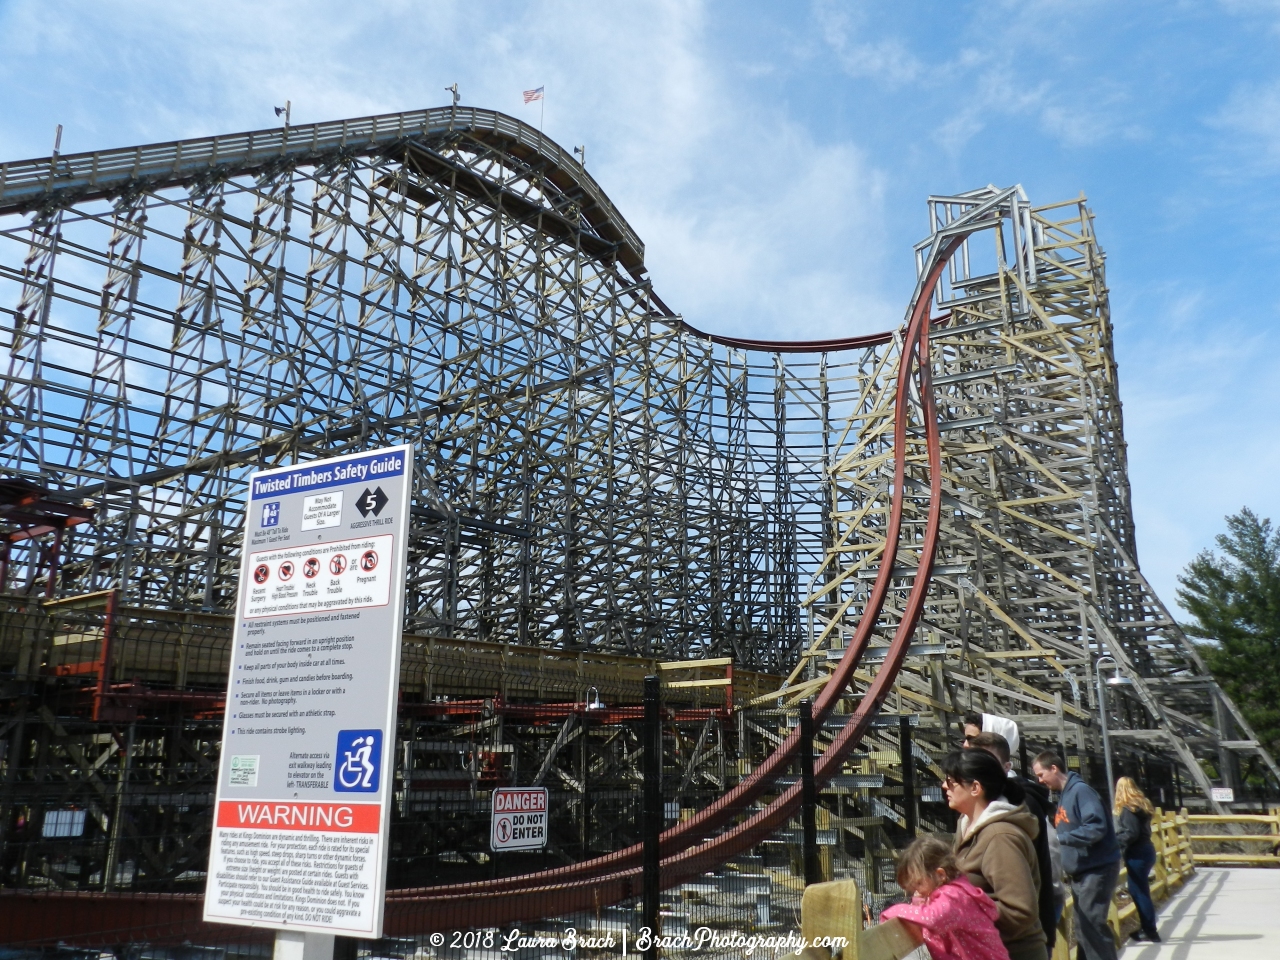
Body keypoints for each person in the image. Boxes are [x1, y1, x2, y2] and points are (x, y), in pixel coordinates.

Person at [942, 749, 1047, 960]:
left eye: (952, 781)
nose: (945, 786)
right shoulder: (967, 826)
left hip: (1013, 953)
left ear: (975, 788)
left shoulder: (999, 836)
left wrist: (959, 912)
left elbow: (1020, 910)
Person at [967, 731, 1062, 955]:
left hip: (1021, 935)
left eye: (987, 762)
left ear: (1007, 766)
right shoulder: (986, 806)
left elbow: (1022, 893)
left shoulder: (1017, 804)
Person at [1032, 752, 1120, 960]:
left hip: (1096, 868)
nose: (1040, 780)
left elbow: (1096, 827)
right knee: (1082, 928)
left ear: (1054, 768)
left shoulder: (1081, 791)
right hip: (1081, 871)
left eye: (1041, 774)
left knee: (1093, 927)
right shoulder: (1064, 794)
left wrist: (1061, 838)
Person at [883, 834, 1012, 960]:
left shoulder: (953, 896)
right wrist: (920, 902)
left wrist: (895, 910)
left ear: (940, 875)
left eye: (919, 884)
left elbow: (931, 918)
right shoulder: (956, 891)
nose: (917, 891)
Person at [1114, 777, 1161, 943]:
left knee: (1138, 892)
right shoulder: (1142, 805)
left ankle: (1150, 929)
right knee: (1140, 890)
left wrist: (1115, 842)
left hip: (1137, 853)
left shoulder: (1128, 809)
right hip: (1147, 849)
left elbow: (1131, 833)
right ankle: (1147, 927)